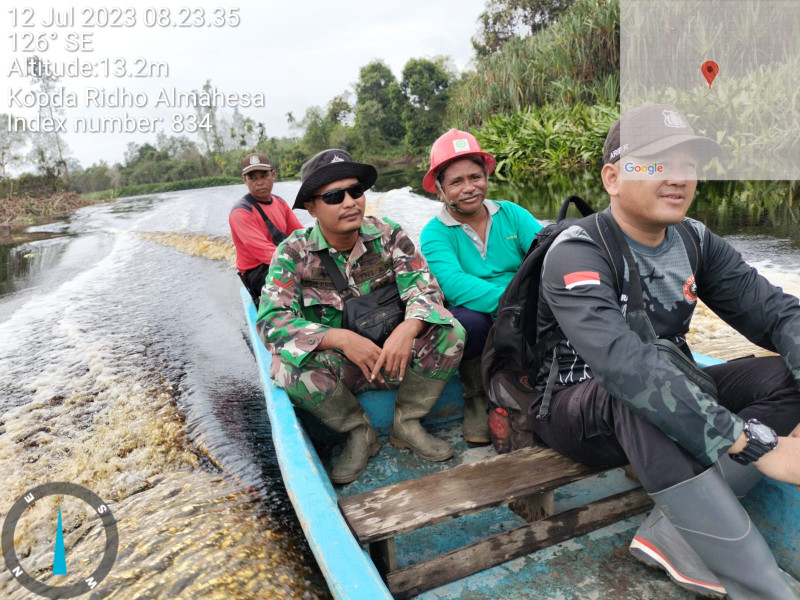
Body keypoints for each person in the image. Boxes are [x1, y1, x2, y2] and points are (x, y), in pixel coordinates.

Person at [529, 104, 800, 599]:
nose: (677, 177)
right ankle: (763, 589)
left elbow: (778, 314)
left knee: (785, 374)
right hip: (579, 409)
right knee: (636, 393)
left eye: (687, 164)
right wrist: (751, 442)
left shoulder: (695, 240)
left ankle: (674, 532)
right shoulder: (577, 251)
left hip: (674, 383)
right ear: (612, 178)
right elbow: (622, 366)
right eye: (655, 163)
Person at [256, 149, 466, 484]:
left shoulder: (389, 235)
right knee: (286, 368)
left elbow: (425, 290)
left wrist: (408, 329)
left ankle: (407, 422)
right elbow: (271, 322)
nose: (350, 202)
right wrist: (340, 339)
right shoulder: (293, 253)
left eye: (355, 191)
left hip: (396, 358)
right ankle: (359, 432)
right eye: (334, 196)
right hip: (342, 368)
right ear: (312, 207)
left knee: (451, 331)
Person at [420, 129, 542, 444]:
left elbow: (545, 252)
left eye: (475, 177)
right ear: (440, 190)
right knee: (466, 323)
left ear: (486, 176)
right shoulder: (435, 233)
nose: (469, 188)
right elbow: (454, 284)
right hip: (483, 311)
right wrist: (515, 306)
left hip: (523, 306)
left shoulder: (511, 213)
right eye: (456, 182)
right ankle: (475, 396)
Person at [229, 153, 304, 304]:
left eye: (264, 176)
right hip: (257, 271)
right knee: (306, 283)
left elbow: (300, 234)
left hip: (281, 257)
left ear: (273, 175)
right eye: (252, 178)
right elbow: (265, 252)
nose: (259, 183)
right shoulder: (241, 213)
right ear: (245, 180)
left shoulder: (280, 202)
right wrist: (303, 263)